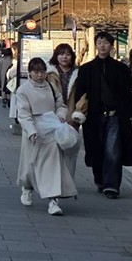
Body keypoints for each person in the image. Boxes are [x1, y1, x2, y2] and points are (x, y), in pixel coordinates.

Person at [74, 31, 132, 198]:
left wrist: (128, 113)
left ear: (111, 46)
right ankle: (100, 179)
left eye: (106, 42)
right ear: (95, 45)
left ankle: (111, 185)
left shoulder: (120, 69)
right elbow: (80, 93)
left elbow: (127, 93)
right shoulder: (86, 69)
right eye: (99, 42)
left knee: (113, 150)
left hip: (115, 115)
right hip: (93, 117)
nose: (102, 45)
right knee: (96, 149)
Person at [15, 56, 78, 216]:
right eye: (36, 72)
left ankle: (53, 201)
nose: (39, 75)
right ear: (30, 73)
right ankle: (27, 188)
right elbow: (23, 114)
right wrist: (31, 131)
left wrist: (61, 114)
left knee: (53, 165)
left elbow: (60, 104)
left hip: (51, 128)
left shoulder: (50, 86)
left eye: (42, 72)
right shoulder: (23, 90)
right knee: (30, 165)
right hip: (34, 130)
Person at [48, 43, 85, 176]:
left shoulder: (78, 73)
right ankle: (54, 179)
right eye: (61, 54)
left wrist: (79, 111)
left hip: (71, 116)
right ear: (56, 56)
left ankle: (68, 180)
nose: (65, 57)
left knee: (70, 149)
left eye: (68, 54)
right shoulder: (49, 73)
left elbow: (84, 95)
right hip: (53, 116)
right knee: (53, 149)